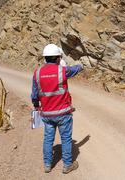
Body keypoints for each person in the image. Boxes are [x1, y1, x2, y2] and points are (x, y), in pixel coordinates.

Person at [31, 44, 83, 174]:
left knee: (48, 139)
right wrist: (81, 66)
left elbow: (34, 95)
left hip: (47, 115)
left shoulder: (37, 73)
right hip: (63, 113)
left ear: (45, 58)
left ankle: (47, 165)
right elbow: (74, 69)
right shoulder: (62, 71)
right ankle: (67, 165)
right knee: (66, 139)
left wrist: (37, 107)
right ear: (57, 58)